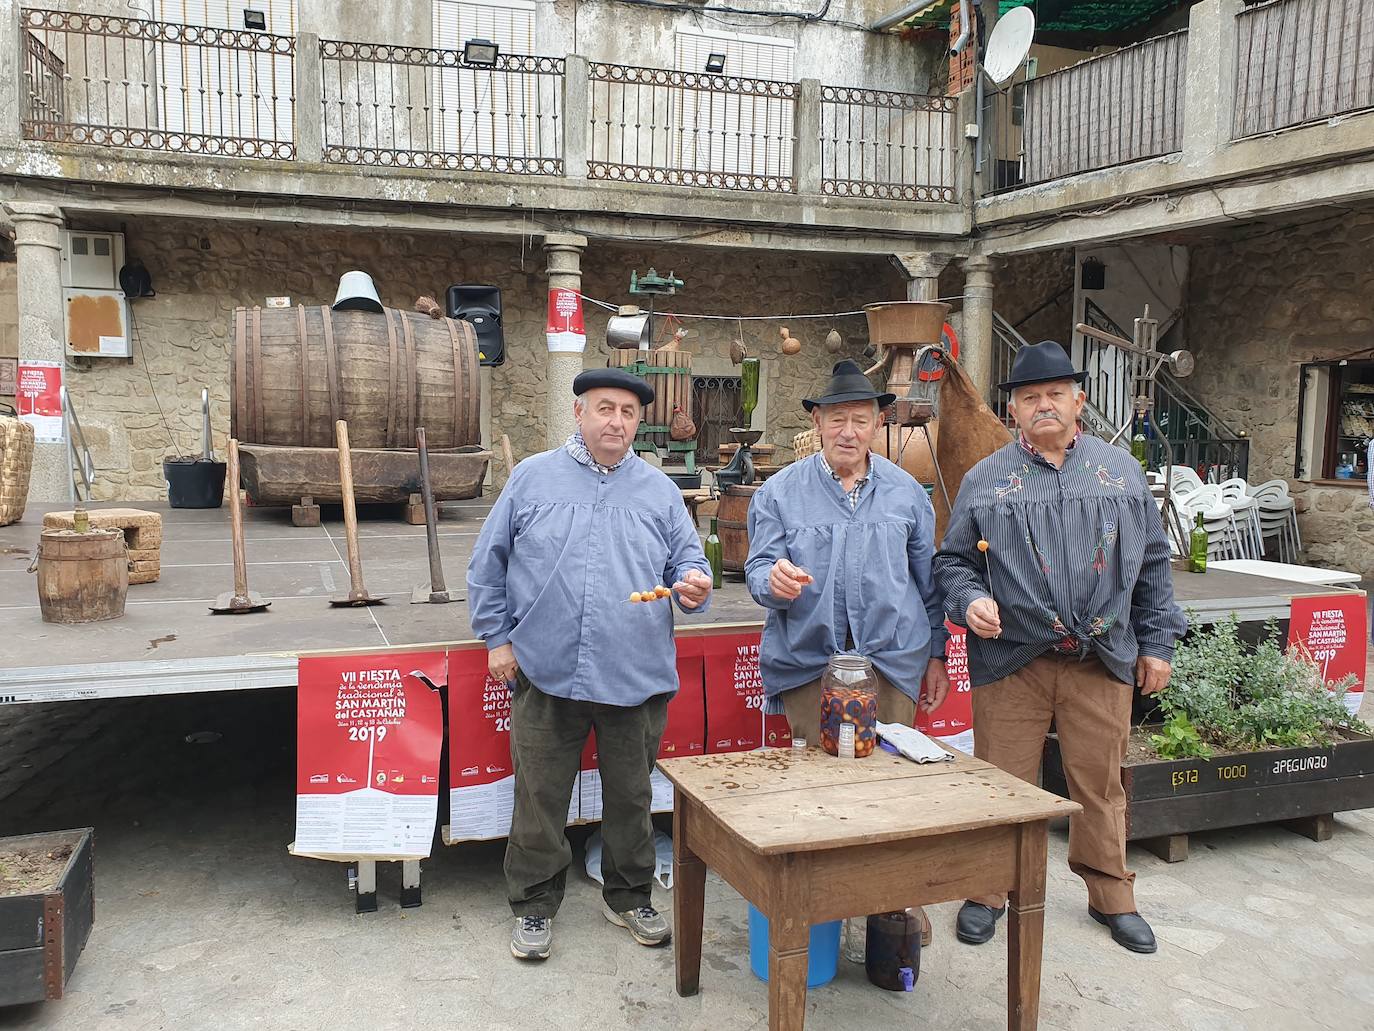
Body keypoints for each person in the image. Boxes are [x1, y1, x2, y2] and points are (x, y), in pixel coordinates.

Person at [933, 340, 1186, 955]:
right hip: (1011, 660)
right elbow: (952, 563)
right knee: (1000, 781)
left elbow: (1153, 560)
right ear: (1012, 409)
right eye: (1028, 398)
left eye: (1054, 395)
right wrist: (968, 603)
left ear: (1078, 401)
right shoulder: (986, 478)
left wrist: (1156, 642)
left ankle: (1111, 894)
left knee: (1099, 784)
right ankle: (990, 890)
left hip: (1100, 658)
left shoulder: (1120, 471)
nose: (1042, 405)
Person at [467, 368, 714, 962]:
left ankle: (628, 896)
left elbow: (686, 558)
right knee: (540, 794)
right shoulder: (532, 478)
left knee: (631, 795)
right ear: (579, 413)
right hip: (547, 667)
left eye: (628, 413)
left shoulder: (658, 491)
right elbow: (487, 564)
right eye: (605, 409)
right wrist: (497, 639)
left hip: (634, 671)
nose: (617, 422)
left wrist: (693, 582)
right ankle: (533, 904)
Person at [744, 358, 950, 754]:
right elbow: (758, 569)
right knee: (814, 787)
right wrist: (772, 580)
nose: (848, 433)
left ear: (878, 424)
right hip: (810, 666)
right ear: (817, 422)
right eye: (838, 420)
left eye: (860, 420)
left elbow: (929, 585)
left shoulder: (907, 494)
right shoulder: (778, 493)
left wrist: (937, 655)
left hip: (890, 665)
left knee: (887, 786)